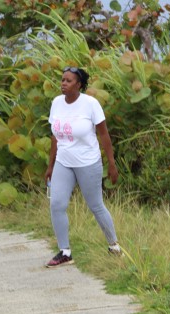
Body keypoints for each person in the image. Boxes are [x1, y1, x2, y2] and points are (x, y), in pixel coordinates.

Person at [44, 66, 121, 268]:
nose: (63, 83)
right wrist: (50, 165)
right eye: (62, 80)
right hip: (63, 161)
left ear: (79, 84)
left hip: (88, 162)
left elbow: (104, 135)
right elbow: (55, 136)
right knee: (57, 205)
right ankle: (65, 252)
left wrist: (111, 164)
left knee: (96, 205)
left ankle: (114, 246)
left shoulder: (90, 104)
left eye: (68, 81)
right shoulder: (56, 103)